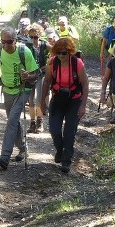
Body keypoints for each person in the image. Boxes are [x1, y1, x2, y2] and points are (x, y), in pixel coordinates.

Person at [0, 28, 38, 170]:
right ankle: (23, 148)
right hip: (7, 90)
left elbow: (35, 74)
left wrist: (28, 76)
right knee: (13, 121)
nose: (5, 45)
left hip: (23, 90)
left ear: (15, 40)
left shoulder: (24, 52)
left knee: (11, 121)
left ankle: (5, 157)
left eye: (9, 42)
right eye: (3, 42)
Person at [42, 35, 89, 173]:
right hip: (57, 99)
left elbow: (85, 84)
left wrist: (83, 105)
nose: (61, 56)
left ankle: (66, 161)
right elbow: (46, 82)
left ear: (70, 52)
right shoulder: (52, 63)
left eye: (64, 53)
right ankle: (59, 150)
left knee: (69, 131)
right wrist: (42, 101)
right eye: (58, 53)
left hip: (74, 100)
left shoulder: (77, 63)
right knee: (54, 129)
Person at [25, 24, 50, 132]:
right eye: (31, 37)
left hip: (40, 75)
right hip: (30, 75)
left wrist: (49, 64)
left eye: (35, 37)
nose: (33, 39)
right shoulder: (26, 46)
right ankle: (32, 123)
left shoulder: (44, 45)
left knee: (39, 99)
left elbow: (56, 51)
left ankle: (40, 122)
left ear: (39, 35)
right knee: (31, 100)